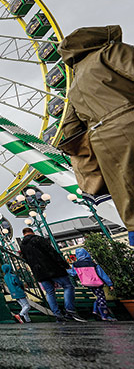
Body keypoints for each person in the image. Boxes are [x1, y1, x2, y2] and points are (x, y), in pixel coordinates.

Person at [58, 26, 134, 246]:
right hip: (128, 120)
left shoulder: (73, 86)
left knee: (128, 198)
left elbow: (70, 128)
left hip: (101, 142)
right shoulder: (108, 53)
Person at [19, 227, 85, 323]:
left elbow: (26, 259)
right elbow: (52, 253)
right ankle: (70, 310)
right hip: (52, 268)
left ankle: (57, 314)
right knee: (68, 286)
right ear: (32, 232)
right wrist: (65, 265)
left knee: (49, 292)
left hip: (39, 272)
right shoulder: (39, 239)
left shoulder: (22, 246)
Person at [69, 248, 116, 322]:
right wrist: (109, 284)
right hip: (96, 283)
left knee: (99, 296)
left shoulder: (76, 265)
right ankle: (105, 315)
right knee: (102, 298)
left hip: (87, 283)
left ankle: (95, 310)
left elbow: (73, 273)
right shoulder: (93, 264)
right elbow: (102, 274)